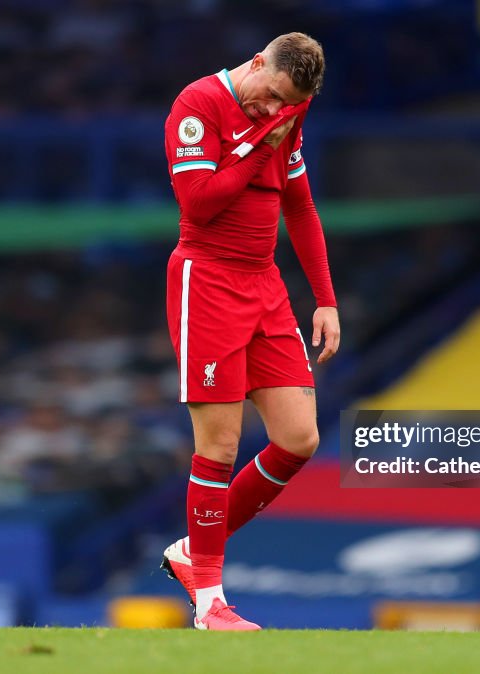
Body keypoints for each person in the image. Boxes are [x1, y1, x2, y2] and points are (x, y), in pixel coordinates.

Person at [160, 32, 340, 631]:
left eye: (284, 103)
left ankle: (192, 550)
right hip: (206, 281)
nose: (271, 109)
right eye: (269, 96)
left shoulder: (289, 113)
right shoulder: (198, 105)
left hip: (264, 286)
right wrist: (265, 142)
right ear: (257, 62)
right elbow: (200, 201)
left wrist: (325, 299)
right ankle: (211, 605)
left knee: (299, 438)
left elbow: (301, 206)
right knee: (219, 445)